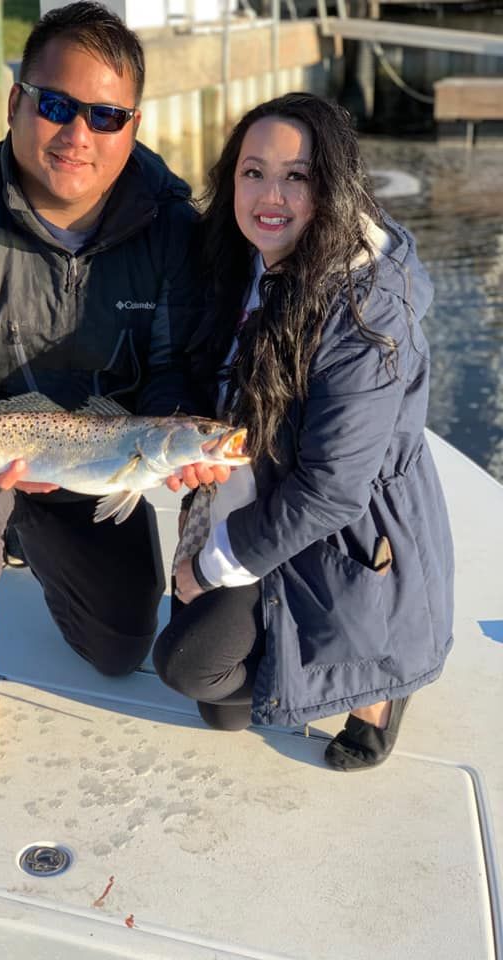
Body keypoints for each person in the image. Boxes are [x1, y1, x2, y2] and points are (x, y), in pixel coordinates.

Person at [0, 2, 228, 776]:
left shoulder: (171, 230)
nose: (77, 133)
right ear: (18, 101)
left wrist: (178, 448)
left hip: (91, 456)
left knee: (122, 646)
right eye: (56, 104)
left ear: (133, 124)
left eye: (105, 114)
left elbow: (172, 368)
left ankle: (27, 536)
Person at [153, 92, 455, 771]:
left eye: (298, 176)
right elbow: (182, 363)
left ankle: (381, 691)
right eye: (253, 171)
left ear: (335, 186)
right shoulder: (231, 256)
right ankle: (275, 634)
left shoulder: (365, 311)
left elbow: (331, 491)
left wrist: (211, 564)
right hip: (253, 489)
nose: (271, 194)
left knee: (186, 663)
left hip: (347, 528)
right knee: (214, 700)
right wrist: (181, 431)